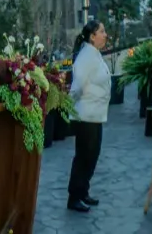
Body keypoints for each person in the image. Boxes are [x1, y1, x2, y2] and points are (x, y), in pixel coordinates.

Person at [67, 19, 110, 213]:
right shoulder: (86, 56)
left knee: (92, 157)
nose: (105, 34)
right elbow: (77, 86)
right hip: (86, 117)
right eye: (102, 31)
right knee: (84, 157)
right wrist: (67, 107)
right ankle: (74, 197)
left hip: (96, 116)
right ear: (92, 37)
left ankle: (83, 192)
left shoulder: (94, 54)